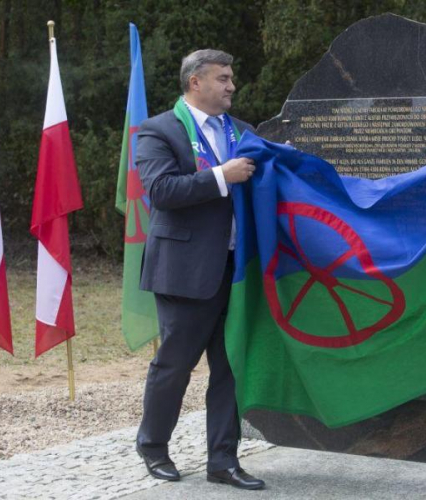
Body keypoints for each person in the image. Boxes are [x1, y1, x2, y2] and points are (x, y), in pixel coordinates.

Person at [134, 49, 264, 490]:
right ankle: (153, 449)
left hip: (235, 270)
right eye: (223, 78)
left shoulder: (243, 131)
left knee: (229, 369)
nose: (231, 86)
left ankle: (223, 461)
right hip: (185, 271)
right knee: (175, 365)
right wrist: (222, 176)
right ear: (196, 82)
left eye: (231, 78)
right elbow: (162, 190)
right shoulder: (158, 130)